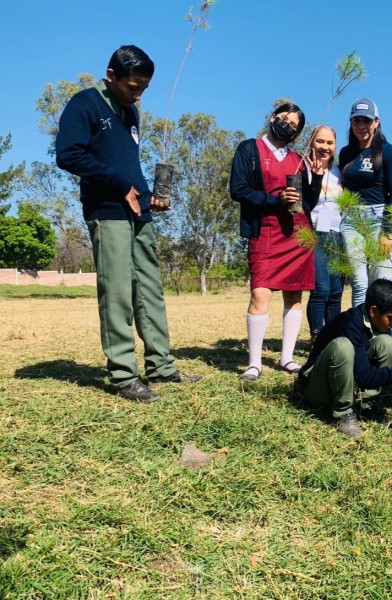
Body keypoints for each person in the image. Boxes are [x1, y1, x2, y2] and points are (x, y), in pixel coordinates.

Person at [55, 45, 200, 403]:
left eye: (143, 89)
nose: (137, 95)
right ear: (111, 76)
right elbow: (68, 154)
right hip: (106, 210)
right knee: (118, 293)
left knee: (150, 290)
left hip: (139, 214)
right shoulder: (84, 104)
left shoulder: (130, 112)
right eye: (132, 87)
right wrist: (121, 186)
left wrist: (148, 195)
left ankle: (161, 366)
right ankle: (123, 374)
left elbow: (128, 166)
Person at [229, 102, 323, 380]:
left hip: (297, 234)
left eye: (294, 126)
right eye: (284, 120)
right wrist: (274, 200)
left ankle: (287, 357)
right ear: (272, 118)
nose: (288, 126)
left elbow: (308, 202)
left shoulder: (298, 159)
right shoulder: (249, 149)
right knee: (260, 293)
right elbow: (238, 189)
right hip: (265, 230)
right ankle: (254, 363)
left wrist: (315, 179)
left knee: (294, 295)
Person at [299, 279, 392, 438]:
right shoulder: (349, 324)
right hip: (317, 389)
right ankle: (343, 412)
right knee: (342, 346)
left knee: (387, 343)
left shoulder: (376, 322)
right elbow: (364, 376)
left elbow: (381, 362)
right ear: (373, 311)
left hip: (342, 381)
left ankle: (365, 404)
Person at [338, 98, 392, 310]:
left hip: (379, 220)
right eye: (356, 120)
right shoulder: (346, 153)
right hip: (351, 221)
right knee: (359, 283)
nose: (361, 125)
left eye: (366, 120)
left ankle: (386, 339)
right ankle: (361, 335)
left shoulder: (388, 151)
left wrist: (388, 232)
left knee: (382, 284)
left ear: (376, 121)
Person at [305, 126, 345, 342]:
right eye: (320, 141)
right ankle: (317, 335)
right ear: (311, 142)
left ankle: (334, 334)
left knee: (336, 290)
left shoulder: (340, 172)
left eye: (330, 143)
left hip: (337, 234)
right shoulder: (304, 169)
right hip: (315, 234)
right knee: (321, 288)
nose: (325, 147)